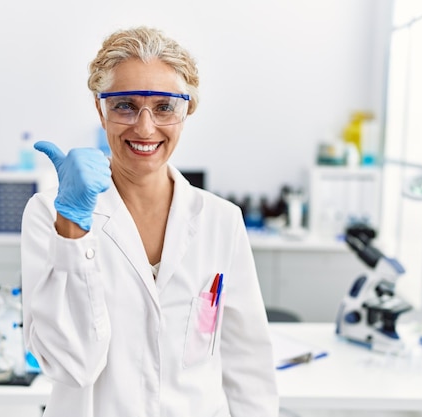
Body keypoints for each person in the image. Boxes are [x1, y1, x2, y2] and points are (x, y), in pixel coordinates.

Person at [20, 26, 278, 417]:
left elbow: (249, 365)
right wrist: (73, 230)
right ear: (100, 108)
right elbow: (70, 364)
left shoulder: (221, 221)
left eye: (164, 107)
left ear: (186, 109)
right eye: (124, 105)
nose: (144, 127)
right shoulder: (48, 215)